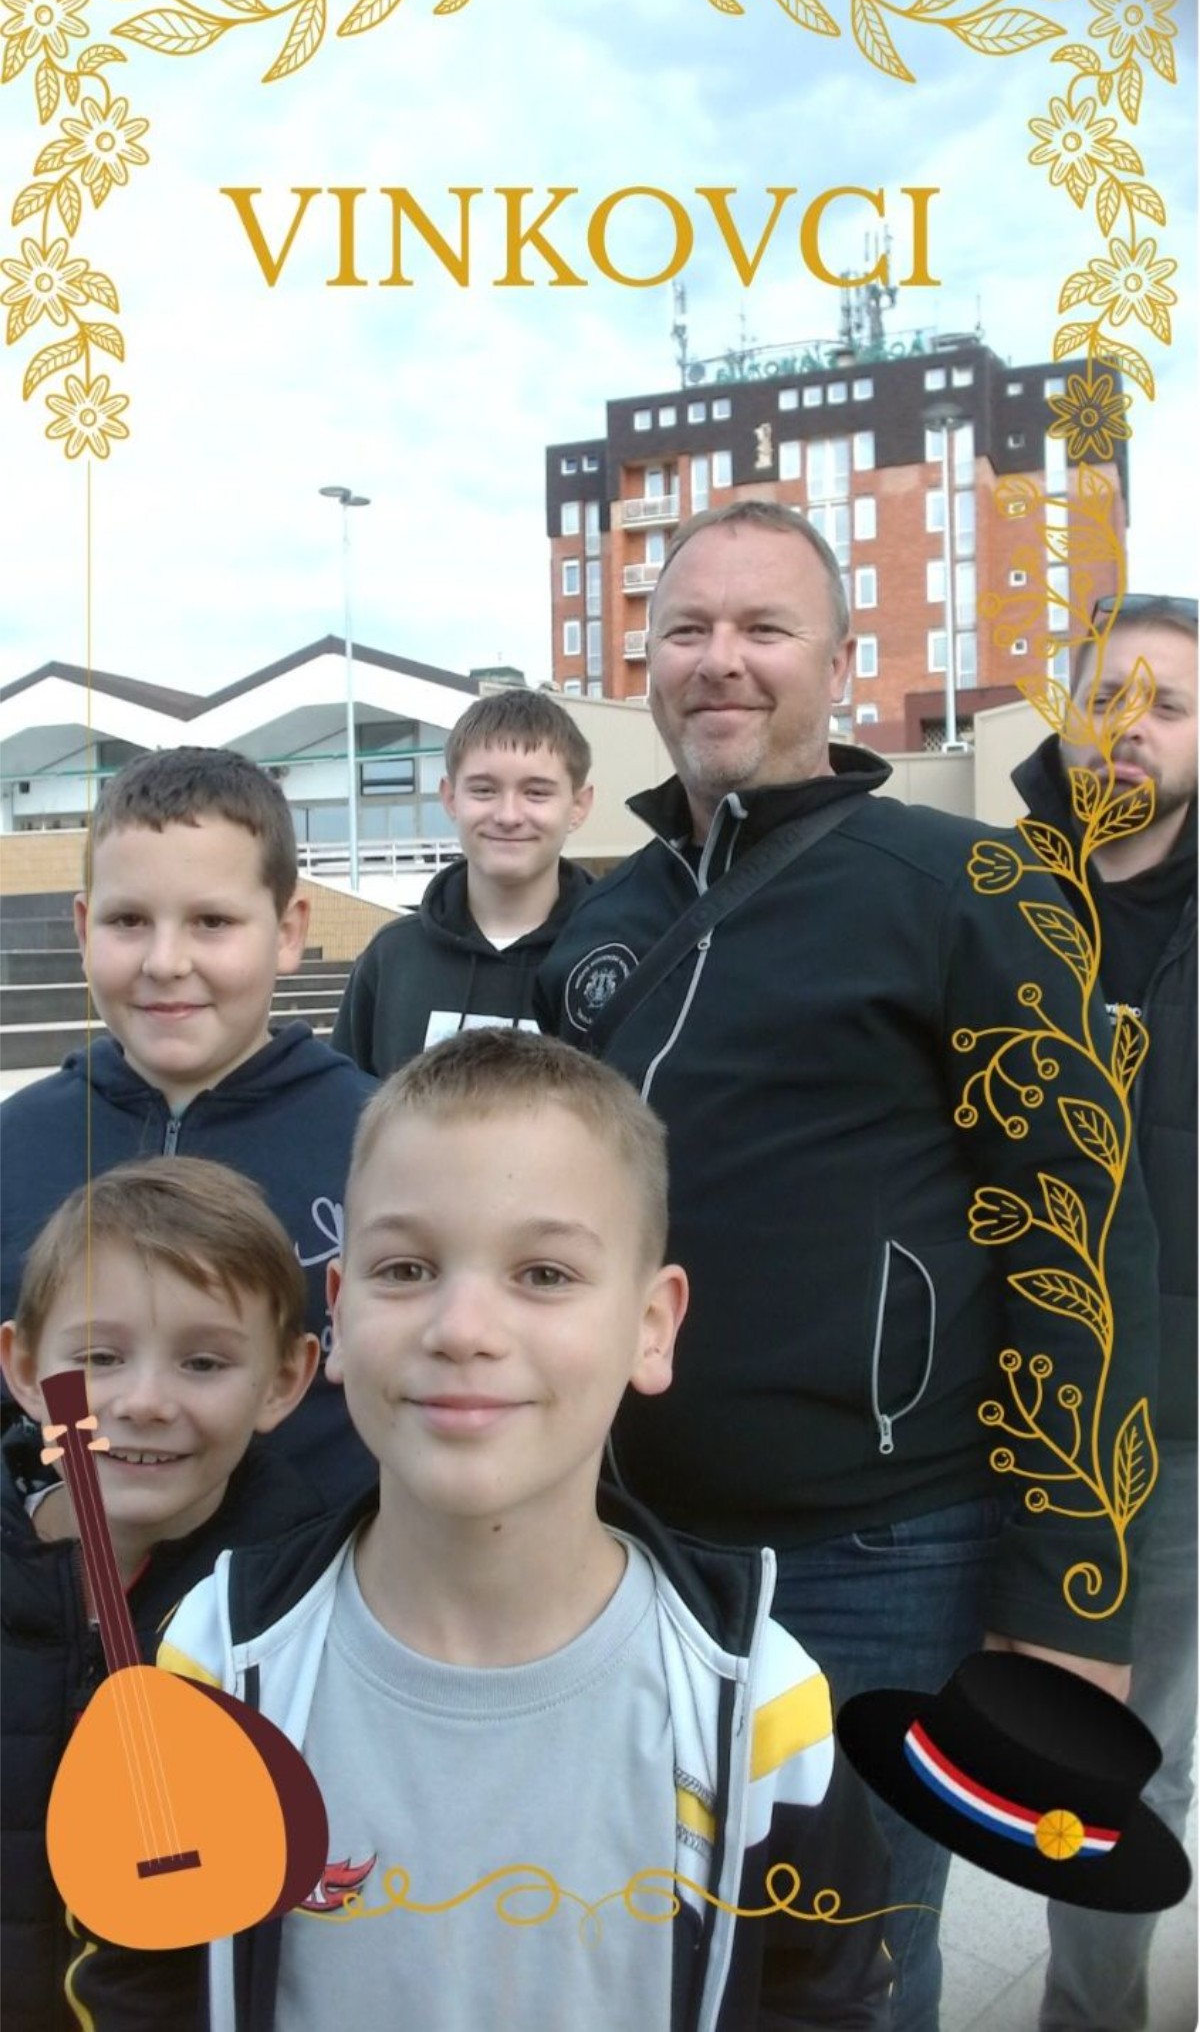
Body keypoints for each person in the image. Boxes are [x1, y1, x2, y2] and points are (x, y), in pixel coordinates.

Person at [537, 501, 1161, 2032]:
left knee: (856, 1963)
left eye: (765, 628)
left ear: (841, 660)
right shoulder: (604, 925)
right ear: (647, 663)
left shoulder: (964, 887)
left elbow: (1081, 1236)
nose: (721, 659)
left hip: (886, 1553)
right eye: (687, 629)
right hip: (628, 1547)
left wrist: (1073, 1600)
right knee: (647, 1944)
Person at [88, 1030, 893, 2030]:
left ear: (652, 1326)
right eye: (406, 1267)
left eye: (544, 1273)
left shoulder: (759, 1709)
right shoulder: (215, 1665)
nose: (462, 1328)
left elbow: (824, 1996)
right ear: (337, 1315)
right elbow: (142, 1978)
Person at [0, 746, 377, 1504]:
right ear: (84, 929)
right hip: (65, 1570)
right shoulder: (15, 1146)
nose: (166, 961)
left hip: (314, 1565)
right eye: (129, 921)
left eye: (211, 921)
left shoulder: (381, 1145)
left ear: (287, 931)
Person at [0, 1156, 323, 2032]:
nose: (144, 1402)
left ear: (283, 1381)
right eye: (99, 1357)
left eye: (203, 1362)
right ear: (24, 1368)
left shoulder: (299, 1612)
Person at [1011, 594, 1197, 2032]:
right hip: (992, 1399)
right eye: (1109, 699)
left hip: (1179, 1422)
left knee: (1130, 1758)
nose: (1131, 731)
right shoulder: (979, 890)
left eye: (1168, 707)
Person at [331, 688, 593, 1073]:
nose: (508, 816)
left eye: (536, 793)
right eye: (484, 790)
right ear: (451, 798)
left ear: (579, 805)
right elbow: (349, 1101)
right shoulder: (392, 958)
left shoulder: (611, 955)